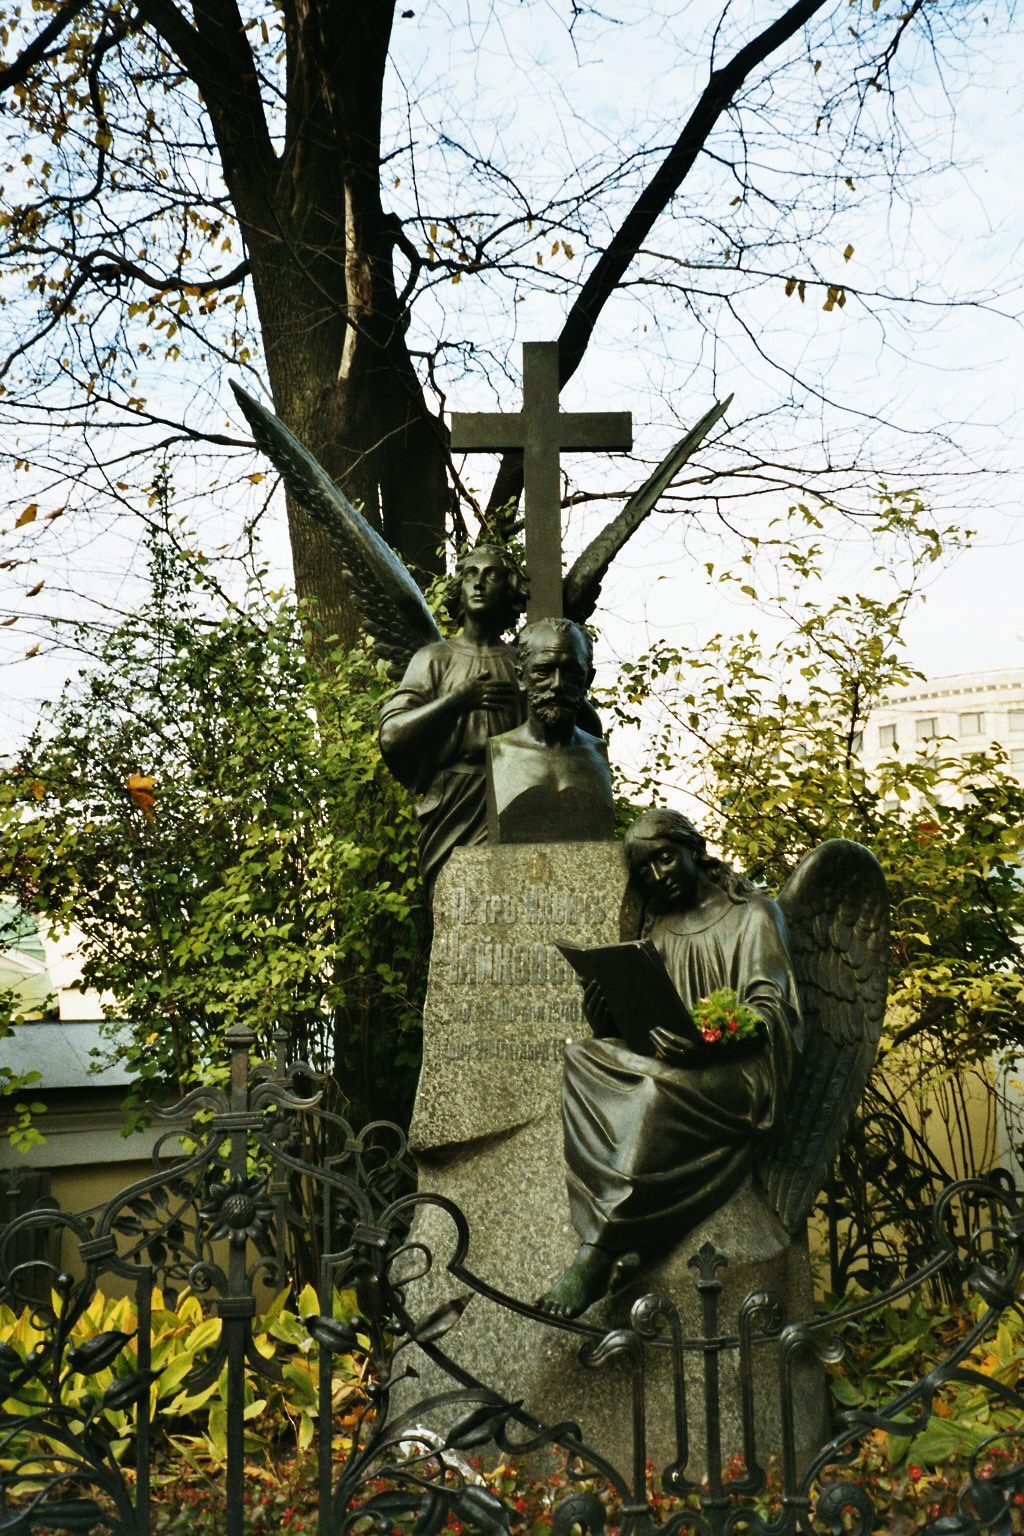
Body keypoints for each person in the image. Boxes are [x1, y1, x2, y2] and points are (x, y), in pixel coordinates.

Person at [538, 808, 803, 1318]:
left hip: (739, 1072)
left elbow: (773, 1010)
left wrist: (709, 1041)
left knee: (653, 1094)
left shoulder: (754, 915)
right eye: (645, 872)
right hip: (678, 1063)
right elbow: (650, 1021)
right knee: (583, 1055)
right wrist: (605, 1015)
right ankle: (632, 1231)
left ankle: (599, 1250)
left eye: (664, 859)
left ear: (694, 849)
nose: (658, 876)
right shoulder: (658, 931)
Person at [378, 544, 529, 900]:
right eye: (470, 575)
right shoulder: (435, 658)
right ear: (459, 589)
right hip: (453, 800)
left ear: (508, 588)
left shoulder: (523, 660)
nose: (478, 584)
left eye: (491, 575)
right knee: (453, 907)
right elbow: (392, 734)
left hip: (516, 793)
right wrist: (456, 699)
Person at [486, 618, 614, 844]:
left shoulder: (597, 753)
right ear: (521, 678)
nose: (557, 684)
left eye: (571, 673)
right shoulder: (500, 752)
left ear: (588, 680)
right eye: (543, 671)